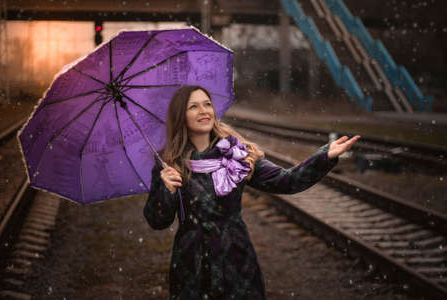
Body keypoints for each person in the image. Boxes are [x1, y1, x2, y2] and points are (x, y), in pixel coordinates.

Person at [144, 85, 360, 300]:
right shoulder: (169, 164)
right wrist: (166, 190)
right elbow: (157, 220)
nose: (204, 111)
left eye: (207, 104)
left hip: (235, 257)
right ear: (181, 115)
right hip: (191, 262)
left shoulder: (237, 155)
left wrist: (324, 157)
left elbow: (286, 181)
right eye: (193, 106)